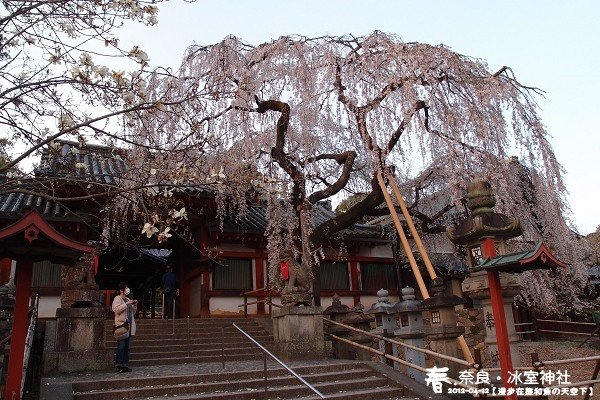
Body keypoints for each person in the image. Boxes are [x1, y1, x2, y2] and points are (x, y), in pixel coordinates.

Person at [112, 281, 137, 373]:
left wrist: (134, 305)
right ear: (121, 290)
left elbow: (133, 313)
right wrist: (126, 304)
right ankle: (119, 365)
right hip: (122, 325)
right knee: (121, 346)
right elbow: (116, 309)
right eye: (126, 288)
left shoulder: (127, 299)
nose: (127, 289)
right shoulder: (117, 298)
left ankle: (125, 364)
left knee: (127, 347)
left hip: (130, 325)